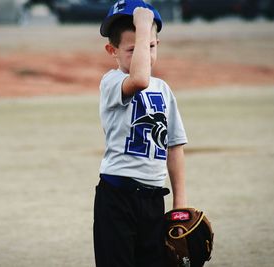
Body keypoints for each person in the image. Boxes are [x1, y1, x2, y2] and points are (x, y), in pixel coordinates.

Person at [93, 0, 188, 267]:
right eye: (133, 49)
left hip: (154, 200)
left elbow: (175, 147)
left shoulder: (164, 90)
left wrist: (179, 207)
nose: (144, 54)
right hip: (117, 198)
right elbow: (139, 79)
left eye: (150, 47)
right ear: (112, 50)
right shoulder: (111, 82)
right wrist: (144, 26)